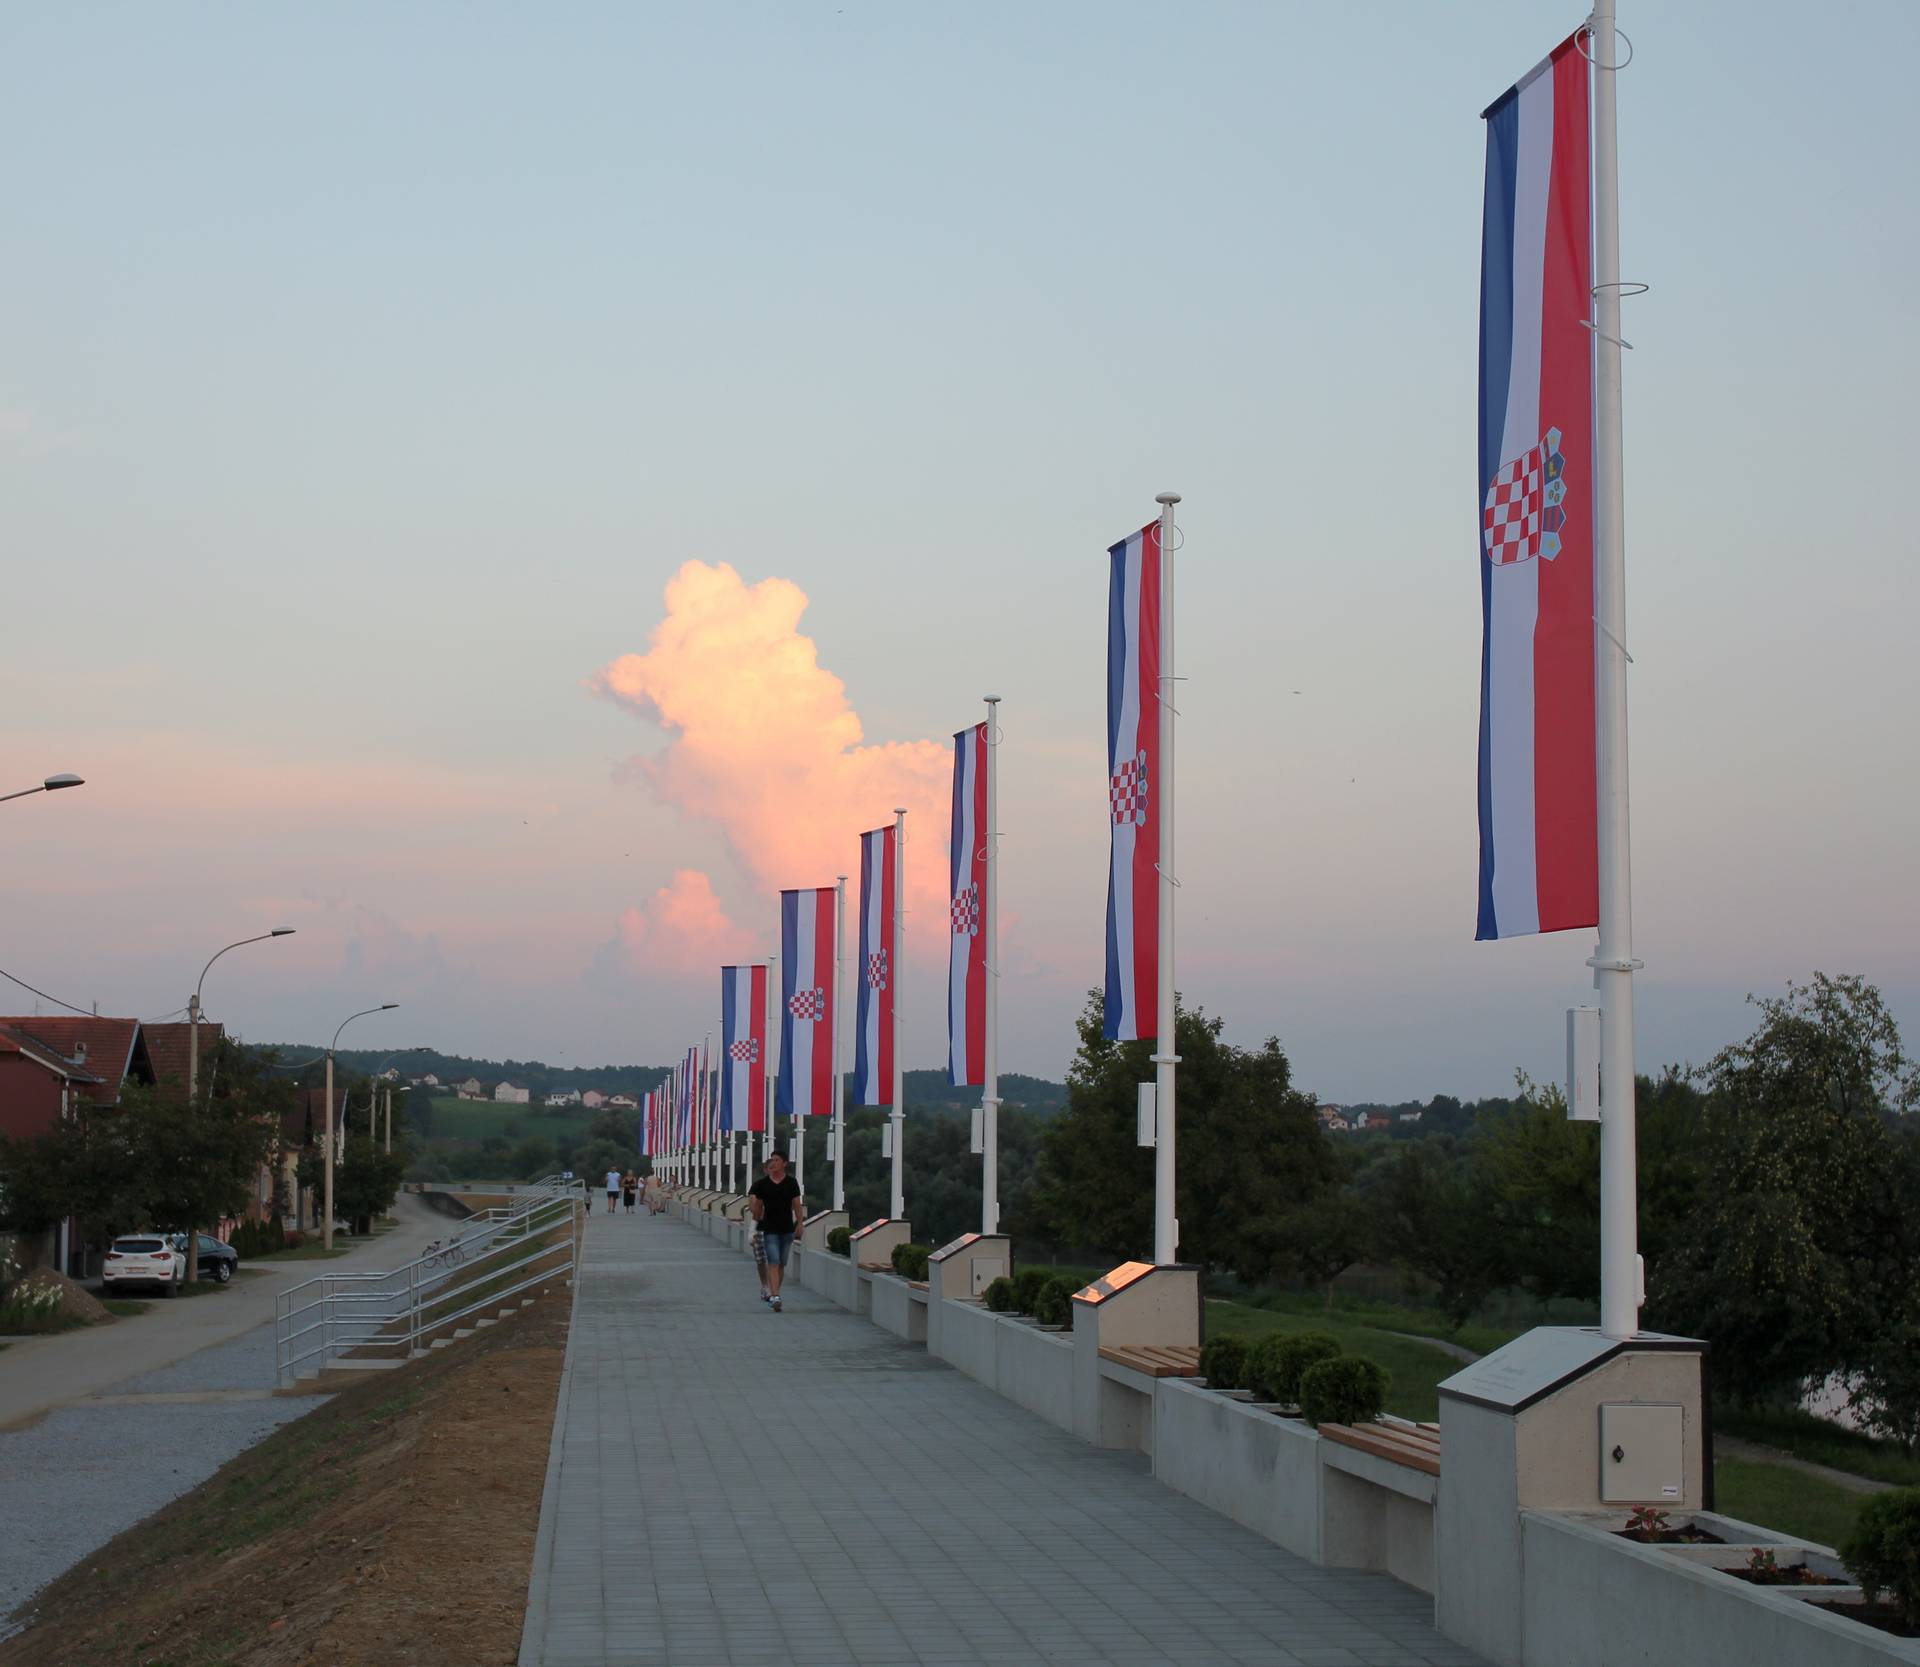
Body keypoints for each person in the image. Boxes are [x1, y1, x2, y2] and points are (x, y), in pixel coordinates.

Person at [746, 1149, 802, 1312]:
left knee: (781, 1264)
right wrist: (754, 1227)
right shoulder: (762, 1184)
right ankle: (775, 1296)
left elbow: (797, 1204)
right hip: (769, 1229)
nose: (774, 1163)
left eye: (777, 1160)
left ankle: (775, 1291)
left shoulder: (791, 1182)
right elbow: (757, 1207)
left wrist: (800, 1223)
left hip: (787, 1229)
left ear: (784, 1163)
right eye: (772, 1160)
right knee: (773, 1261)